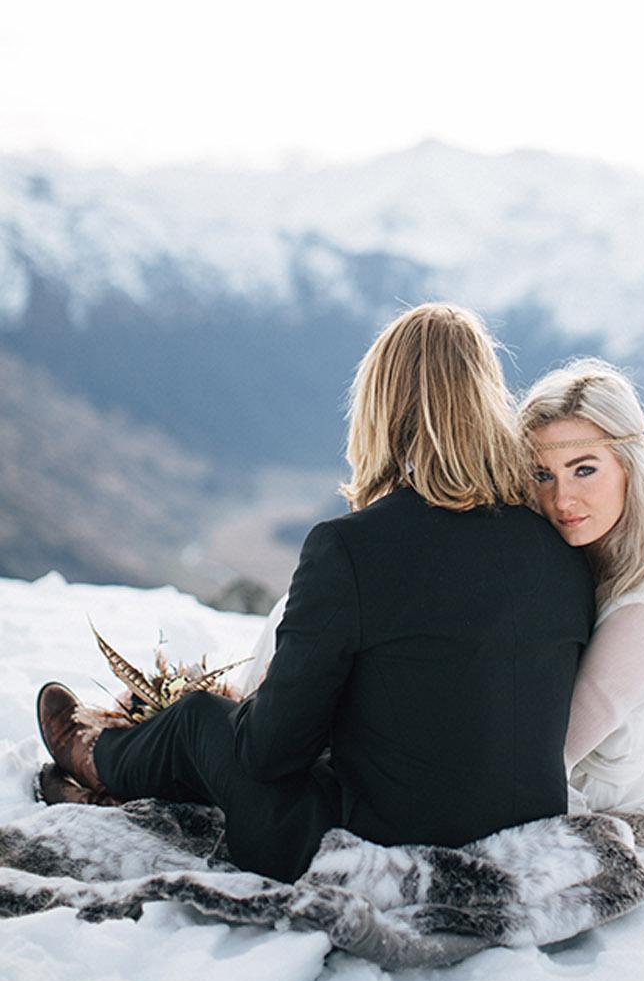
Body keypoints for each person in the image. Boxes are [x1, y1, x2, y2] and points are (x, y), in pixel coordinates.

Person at [36, 304, 595, 882]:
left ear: (380, 408)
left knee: (200, 720)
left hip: (375, 842)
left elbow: (270, 752)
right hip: (528, 830)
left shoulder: (350, 548)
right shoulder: (557, 547)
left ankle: (94, 757)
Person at [519, 359, 644, 812]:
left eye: (583, 469)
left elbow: (541, 766)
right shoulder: (616, 561)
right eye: (543, 475)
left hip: (577, 805)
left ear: (630, 466)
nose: (561, 499)